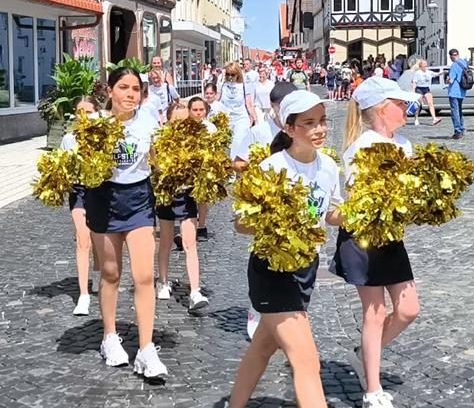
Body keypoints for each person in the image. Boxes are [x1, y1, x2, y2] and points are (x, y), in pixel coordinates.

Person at [228, 90, 342, 408]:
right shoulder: (270, 168)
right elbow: (240, 223)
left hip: (305, 268)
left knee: (263, 346)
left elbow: (330, 213)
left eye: (322, 121)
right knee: (306, 361)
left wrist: (366, 211)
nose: (319, 129)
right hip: (272, 270)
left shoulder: (329, 166)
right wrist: (275, 219)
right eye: (309, 123)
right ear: (289, 129)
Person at [333, 77, 422, 407]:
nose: (406, 109)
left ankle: (365, 352)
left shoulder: (404, 144)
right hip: (362, 238)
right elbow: (359, 198)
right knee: (374, 312)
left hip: (391, 237)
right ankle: (372, 390)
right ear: (382, 110)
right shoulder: (362, 146)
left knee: (409, 309)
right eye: (400, 105)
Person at [85, 67, 167, 378]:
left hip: (138, 199)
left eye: (135, 88)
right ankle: (109, 337)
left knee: (144, 275)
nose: (130, 94)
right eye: (123, 87)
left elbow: (159, 158)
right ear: (110, 91)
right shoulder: (94, 124)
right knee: (111, 272)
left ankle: (146, 349)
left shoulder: (148, 121)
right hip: (104, 199)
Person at [154, 101, 213, 312]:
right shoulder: (159, 139)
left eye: (183, 120)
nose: (179, 124)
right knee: (166, 240)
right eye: (175, 120)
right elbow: (154, 164)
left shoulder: (195, 140)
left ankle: (195, 291)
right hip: (166, 193)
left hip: (187, 194)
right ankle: (163, 280)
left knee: (190, 242)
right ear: (168, 121)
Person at [60, 96, 102, 316]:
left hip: (100, 191)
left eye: (88, 112)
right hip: (78, 191)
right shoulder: (68, 138)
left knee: (98, 238)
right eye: (80, 113)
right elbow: (63, 166)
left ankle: (97, 274)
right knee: (82, 237)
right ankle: (83, 294)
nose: (84, 117)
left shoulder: (103, 137)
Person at [232, 82, 298, 172]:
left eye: (291, 105)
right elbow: (237, 163)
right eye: (282, 105)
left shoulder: (304, 130)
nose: (287, 110)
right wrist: (259, 172)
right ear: (272, 105)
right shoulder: (258, 131)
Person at [218, 61, 257, 159]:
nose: (230, 77)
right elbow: (217, 99)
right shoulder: (222, 85)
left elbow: (249, 103)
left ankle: (235, 168)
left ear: (237, 74)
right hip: (225, 119)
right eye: (228, 74)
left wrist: (254, 117)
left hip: (240, 118)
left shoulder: (244, 85)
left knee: (237, 142)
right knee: (225, 145)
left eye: (233, 75)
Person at [410, 60, 443, 127]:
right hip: (419, 89)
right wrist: (413, 91)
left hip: (426, 89)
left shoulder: (429, 72)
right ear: (421, 66)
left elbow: (436, 74)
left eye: (426, 64)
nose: (426, 66)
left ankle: (434, 119)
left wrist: (443, 72)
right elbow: (414, 82)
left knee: (430, 103)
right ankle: (416, 118)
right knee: (418, 105)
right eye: (424, 64)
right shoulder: (417, 73)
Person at [447, 49, 468, 139]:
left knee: (455, 112)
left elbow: (451, 80)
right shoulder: (464, 63)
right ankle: (462, 128)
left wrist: (447, 79)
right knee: (459, 110)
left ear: (451, 56)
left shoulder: (454, 65)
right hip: (462, 90)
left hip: (454, 91)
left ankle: (458, 131)